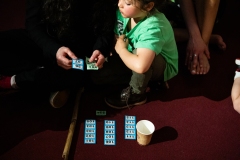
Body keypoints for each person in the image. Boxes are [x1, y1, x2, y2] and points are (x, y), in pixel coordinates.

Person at [0, 0, 114, 108]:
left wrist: (100, 48)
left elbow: (107, 25)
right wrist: (55, 50)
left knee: (79, 75)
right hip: (46, 42)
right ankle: (46, 76)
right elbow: (33, 25)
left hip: (78, 55)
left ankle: (19, 79)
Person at [104, 0, 178, 109]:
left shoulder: (153, 25)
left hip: (156, 64)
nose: (120, 4)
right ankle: (146, 81)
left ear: (148, 6)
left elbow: (141, 66)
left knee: (140, 57)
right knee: (97, 76)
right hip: (130, 53)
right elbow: (118, 34)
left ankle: (136, 94)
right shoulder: (123, 12)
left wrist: (121, 50)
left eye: (128, 3)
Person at [162, 0, 226, 75]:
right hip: (175, 11)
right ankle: (202, 40)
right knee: (154, 32)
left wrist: (203, 42)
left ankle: (204, 44)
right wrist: (194, 36)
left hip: (207, 14)